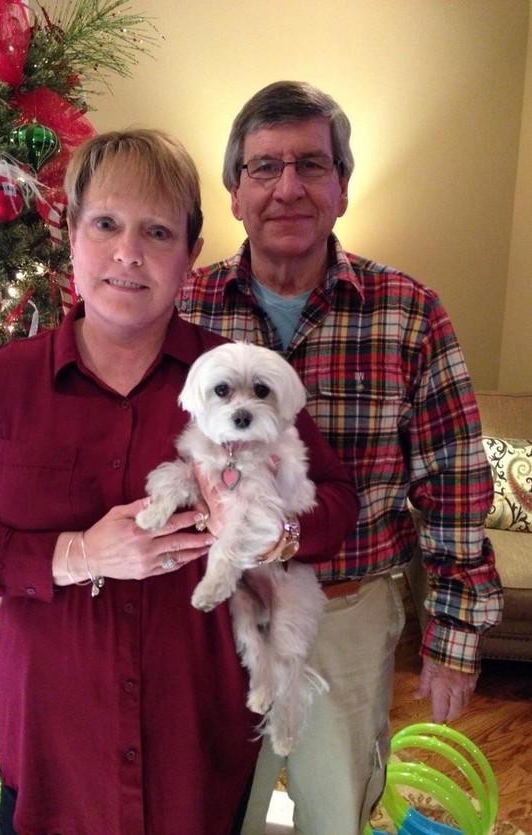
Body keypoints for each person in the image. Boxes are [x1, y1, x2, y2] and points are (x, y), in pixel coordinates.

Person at [0, 128, 359, 835]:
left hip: (193, 747)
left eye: (157, 231)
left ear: (189, 254)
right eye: (106, 224)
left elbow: (336, 504)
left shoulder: (234, 377)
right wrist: (77, 553)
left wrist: (271, 533)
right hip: (56, 748)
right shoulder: (8, 381)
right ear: (72, 235)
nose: (128, 252)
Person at [179, 81, 504, 835]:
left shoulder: (408, 312)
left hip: (349, 614)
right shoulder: (186, 306)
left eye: (311, 164)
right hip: (214, 617)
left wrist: (453, 641)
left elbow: (455, 485)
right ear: (235, 193)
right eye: (264, 167)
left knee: (336, 815)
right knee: (210, 813)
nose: (287, 187)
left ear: (342, 186)